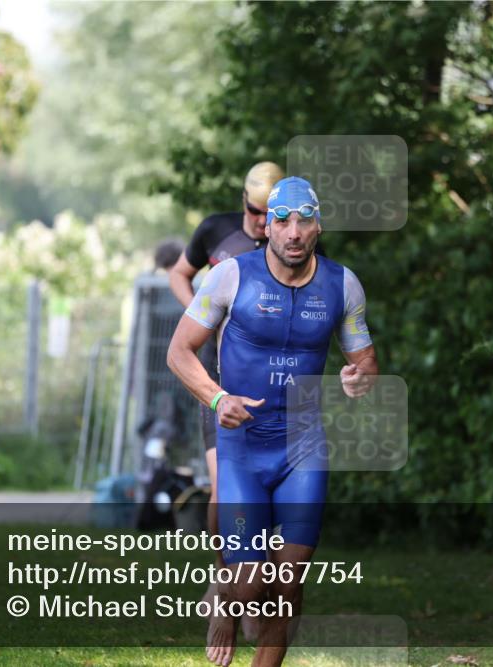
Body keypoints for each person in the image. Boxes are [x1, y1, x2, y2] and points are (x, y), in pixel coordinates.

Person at [167, 176, 378, 667]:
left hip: (303, 448)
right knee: (252, 580)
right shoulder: (229, 277)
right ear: (269, 227)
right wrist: (218, 399)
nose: (294, 232)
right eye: (283, 221)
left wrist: (358, 378)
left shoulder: (342, 284)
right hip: (242, 448)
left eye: (305, 220)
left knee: (288, 584)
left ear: (318, 226)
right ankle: (226, 592)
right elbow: (179, 352)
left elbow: (365, 361)